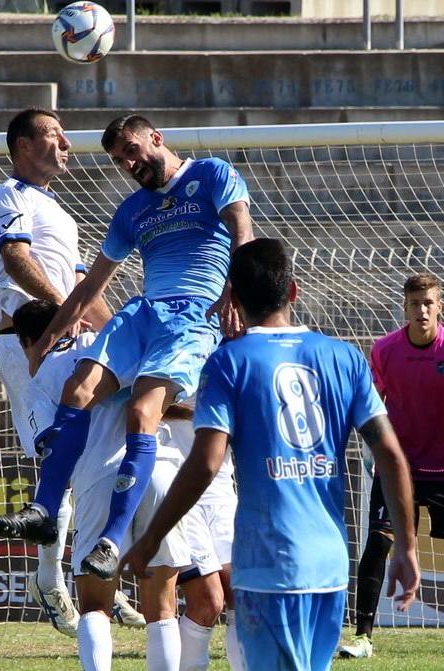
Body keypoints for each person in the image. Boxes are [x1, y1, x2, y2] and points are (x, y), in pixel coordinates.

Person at [120, 238, 421, 671]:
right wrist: (406, 547)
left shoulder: (229, 363)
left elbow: (206, 462)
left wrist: (150, 539)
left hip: (268, 566)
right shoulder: (345, 358)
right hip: (329, 569)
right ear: (294, 291)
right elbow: (391, 457)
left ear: (233, 299)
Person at [0, 113, 255, 581]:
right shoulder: (132, 210)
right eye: (118, 160)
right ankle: (44, 510)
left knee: (141, 412)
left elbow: (243, 231)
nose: (128, 164)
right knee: (79, 387)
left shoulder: (211, 173)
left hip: (194, 315)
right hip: (143, 311)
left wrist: (237, 286)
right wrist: (48, 338)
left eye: (132, 151)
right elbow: (91, 284)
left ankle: (112, 540)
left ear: (157, 137)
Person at [0, 107, 122, 635]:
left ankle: (100, 579)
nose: (65, 141)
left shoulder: (59, 212)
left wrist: (123, 334)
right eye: (52, 133)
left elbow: (90, 293)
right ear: (22, 145)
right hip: (28, 346)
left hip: (71, 343)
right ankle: (49, 582)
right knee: (56, 461)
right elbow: (16, 258)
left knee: (93, 463)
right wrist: (64, 311)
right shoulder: (8, 197)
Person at [11, 301, 187, 671]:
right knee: (163, 607)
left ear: (30, 340)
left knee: (94, 606)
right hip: (158, 471)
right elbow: (159, 401)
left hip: (100, 479)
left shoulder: (41, 380)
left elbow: (54, 450)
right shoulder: (113, 343)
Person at [340, 272, 444, 659]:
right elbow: (371, 404)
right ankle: (364, 636)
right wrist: (371, 451)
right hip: (398, 468)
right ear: (404, 307)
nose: (421, 310)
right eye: (415, 303)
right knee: (378, 542)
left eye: (428, 303)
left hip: (442, 468)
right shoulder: (384, 350)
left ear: (439, 306)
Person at [158, 406, 243, 671]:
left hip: (222, 492)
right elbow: (143, 402)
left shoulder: (229, 366)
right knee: (208, 601)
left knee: (244, 599)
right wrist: (205, 412)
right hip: (178, 488)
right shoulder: (164, 363)